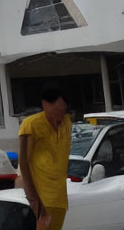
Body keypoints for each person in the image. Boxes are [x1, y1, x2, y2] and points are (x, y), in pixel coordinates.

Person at [18, 84, 72, 230]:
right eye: (56, 109)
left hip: (60, 199)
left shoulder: (66, 123)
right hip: (43, 200)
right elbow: (23, 163)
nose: (60, 114)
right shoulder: (31, 124)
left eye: (63, 110)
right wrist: (36, 203)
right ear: (45, 104)